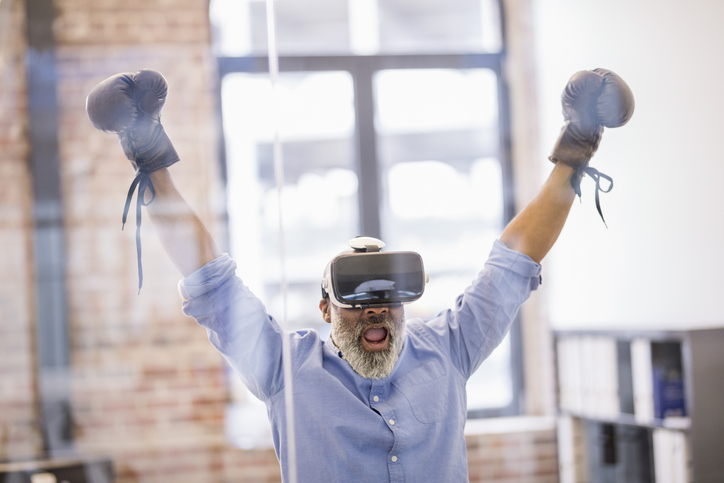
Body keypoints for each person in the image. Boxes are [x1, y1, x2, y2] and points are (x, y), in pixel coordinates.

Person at [86, 67, 634, 482]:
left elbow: (514, 261)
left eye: (387, 293)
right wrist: (147, 153)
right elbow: (209, 277)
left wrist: (577, 145)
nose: (375, 308)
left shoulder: (449, 348)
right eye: (354, 294)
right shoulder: (287, 369)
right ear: (325, 309)